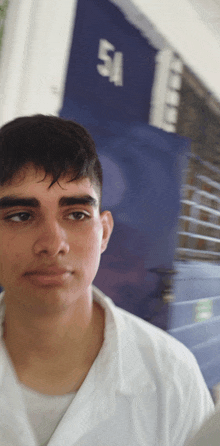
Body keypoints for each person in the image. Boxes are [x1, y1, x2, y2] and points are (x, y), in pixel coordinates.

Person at [0, 114, 215, 446]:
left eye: (76, 215)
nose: (53, 243)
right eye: (21, 216)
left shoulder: (171, 375)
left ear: (104, 233)